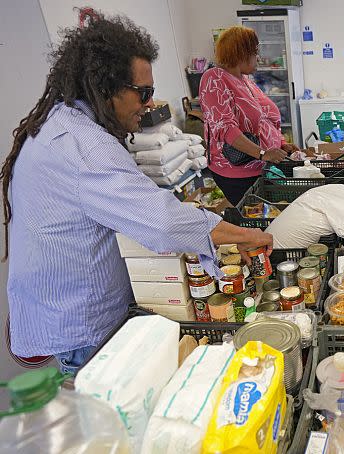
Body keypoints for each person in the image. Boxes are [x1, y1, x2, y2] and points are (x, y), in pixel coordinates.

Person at [1, 15, 275, 375]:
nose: (149, 104)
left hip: (60, 308)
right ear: (107, 87)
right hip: (80, 327)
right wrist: (245, 235)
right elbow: (161, 221)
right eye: (143, 93)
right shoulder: (84, 146)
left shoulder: (62, 122)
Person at [199, 26, 298, 205]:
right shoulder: (214, 78)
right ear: (242, 53)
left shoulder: (246, 81)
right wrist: (262, 153)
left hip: (263, 167)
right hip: (239, 172)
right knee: (258, 220)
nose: (257, 57)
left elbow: (265, 122)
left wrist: (282, 145)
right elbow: (225, 129)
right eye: (255, 51)